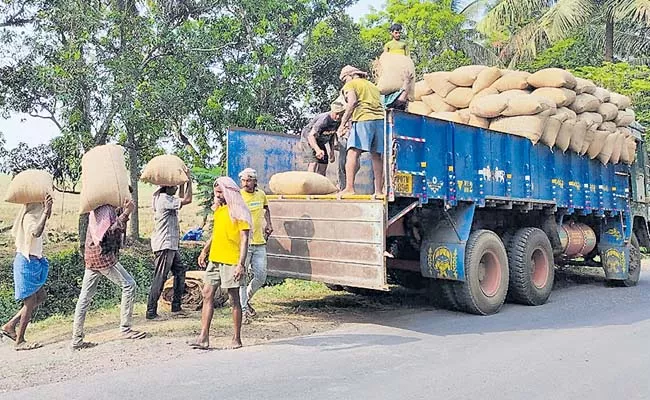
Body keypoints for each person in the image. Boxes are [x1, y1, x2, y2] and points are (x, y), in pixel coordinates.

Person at [71, 200, 147, 350]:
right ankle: (125, 328)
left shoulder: (99, 207)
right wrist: (126, 213)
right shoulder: (106, 209)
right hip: (102, 256)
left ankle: (76, 339)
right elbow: (108, 233)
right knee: (129, 285)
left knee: (84, 298)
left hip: (91, 255)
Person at [192, 177, 251, 350]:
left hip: (231, 261)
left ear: (228, 192)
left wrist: (241, 264)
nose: (217, 196)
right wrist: (205, 250)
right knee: (207, 294)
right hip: (215, 259)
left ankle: (236, 338)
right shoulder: (219, 210)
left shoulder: (239, 211)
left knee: (233, 298)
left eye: (220, 193)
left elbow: (244, 238)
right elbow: (216, 233)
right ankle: (203, 337)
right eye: (216, 192)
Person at [1, 194, 53, 351]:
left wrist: (48, 208)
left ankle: (10, 325)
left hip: (33, 262)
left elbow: (45, 220)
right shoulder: (30, 217)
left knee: (41, 296)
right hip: (26, 263)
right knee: (29, 303)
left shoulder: (35, 215)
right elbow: (36, 232)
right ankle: (20, 341)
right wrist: (46, 212)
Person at [146, 169, 193, 320]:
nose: (176, 187)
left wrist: (181, 182)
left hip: (169, 244)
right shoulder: (165, 199)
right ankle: (151, 311)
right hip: (164, 244)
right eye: (174, 185)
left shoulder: (162, 196)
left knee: (180, 271)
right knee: (160, 277)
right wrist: (188, 181)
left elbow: (179, 197)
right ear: (168, 187)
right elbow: (187, 200)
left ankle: (176, 306)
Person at [337, 65, 386, 195]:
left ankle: (349, 188)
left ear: (349, 76)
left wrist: (343, 124)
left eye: (344, 79)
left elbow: (352, 102)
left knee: (352, 152)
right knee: (376, 156)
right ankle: (378, 191)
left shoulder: (351, 84)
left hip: (364, 119)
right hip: (380, 121)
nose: (344, 83)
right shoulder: (373, 86)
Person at [238, 168, 273, 322]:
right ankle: (243, 310)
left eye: (248, 180)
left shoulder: (261, 194)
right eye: (243, 180)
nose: (245, 183)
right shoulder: (238, 196)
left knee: (261, 276)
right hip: (244, 244)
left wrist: (269, 223)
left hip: (259, 242)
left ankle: (245, 300)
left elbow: (266, 209)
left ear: (254, 181)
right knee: (242, 278)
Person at [301, 97, 346, 176]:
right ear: (332, 111)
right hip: (309, 139)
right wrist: (317, 150)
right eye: (336, 114)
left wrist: (331, 151)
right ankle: (310, 184)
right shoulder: (324, 119)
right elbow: (311, 136)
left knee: (324, 163)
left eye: (341, 115)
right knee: (313, 162)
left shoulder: (339, 121)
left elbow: (332, 135)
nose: (338, 117)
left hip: (320, 141)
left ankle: (320, 186)